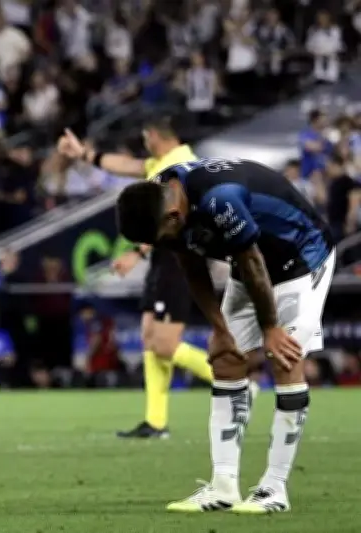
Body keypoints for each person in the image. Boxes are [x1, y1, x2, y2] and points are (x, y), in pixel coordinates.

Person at [116, 157, 335, 513]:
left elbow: (252, 262)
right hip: (250, 261)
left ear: (173, 216)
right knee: (225, 359)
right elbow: (191, 266)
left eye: (163, 237)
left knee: (284, 358)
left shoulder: (221, 199)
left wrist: (270, 329)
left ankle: (274, 488)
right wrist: (219, 329)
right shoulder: (163, 200)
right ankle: (223, 487)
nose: (165, 243)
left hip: (301, 257)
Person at [57, 118, 217, 439]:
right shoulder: (162, 163)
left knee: (164, 344)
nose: (144, 142)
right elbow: (129, 165)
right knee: (149, 336)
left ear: (154, 134)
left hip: (179, 259)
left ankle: (234, 381)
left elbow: (172, 220)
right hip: (164, 258)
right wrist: (84, 154)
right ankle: (155, 421)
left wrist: (136, 253)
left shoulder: (181, 167)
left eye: (145, 136)